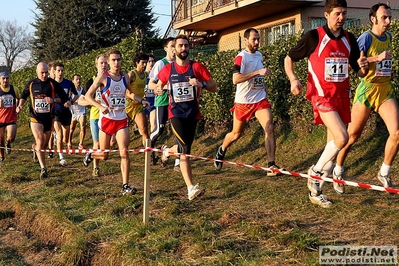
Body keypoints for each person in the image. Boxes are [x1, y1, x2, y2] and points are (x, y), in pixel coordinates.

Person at [284, 0, 369, 207]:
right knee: (342, 137)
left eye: (344, 13)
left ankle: (316, 191)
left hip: (341, 97)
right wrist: (293, 79)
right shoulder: (314, 36)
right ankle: (313, 174)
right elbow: (289, 57)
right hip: (321, 96)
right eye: (337, 13)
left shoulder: (350, 39)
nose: (341, 18)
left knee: (333, 148)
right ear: (327, 14)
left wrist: (364, 68)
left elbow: (358, 71)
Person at [333, 3, 396, 192]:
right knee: (351, 136)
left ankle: (384, 172)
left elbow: (385, 62)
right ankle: (337, 170)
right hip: (367, 90)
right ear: (373, 19)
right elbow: (352, 62)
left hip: (385, 89)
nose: (388, 21)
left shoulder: (390, 37)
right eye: (384, 17)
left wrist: (388, 72)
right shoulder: (365, 38)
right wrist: (376, 59)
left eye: (390, 17)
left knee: (397, 133)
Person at [213, 28, 282, 177]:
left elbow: (260, 75)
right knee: (236, 134)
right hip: (243, 102)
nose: (257, 42)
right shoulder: (240, 57)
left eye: (258, 39)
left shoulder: (259, 55)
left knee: (269, 127)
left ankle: (271, 165)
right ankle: (222, 149)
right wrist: (257, 73)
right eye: (253, 39)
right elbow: (235, 79)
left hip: (259, 99)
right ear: (246, 40)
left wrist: (263, 85)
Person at [156, 35, 217, 200]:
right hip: (175, 113)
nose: (183, 49)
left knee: (185, 149)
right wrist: (157, 88)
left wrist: (201, 84)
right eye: (180, 46)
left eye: (186, 46)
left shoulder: (197, 67)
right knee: (184, 149)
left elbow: (214, 86)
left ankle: (167, 151)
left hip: (192, 113)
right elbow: (153, 84)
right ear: (174, 49)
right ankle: (191, 188)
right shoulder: (168, 69)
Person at [84, 49, 149, 195]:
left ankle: (125, 185)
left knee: (124, 153)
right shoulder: (103, 76)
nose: (116, 63)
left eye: (119, 60)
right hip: (106, 120)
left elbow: (129, 93)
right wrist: (100, 106)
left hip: (121, 119)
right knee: (104, 155)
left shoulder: (125, 76)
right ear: (108, 62)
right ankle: (91, 154)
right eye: (113, 60)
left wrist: (142, 100)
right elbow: (88, 96)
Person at [16, 62, 69, 178]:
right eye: (42, 73)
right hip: (35, 117)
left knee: (44, 145)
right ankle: (43, 168)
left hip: (48, 118)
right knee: (40, 139)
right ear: (37, 72)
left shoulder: (52, 83)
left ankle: (36, 148)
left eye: (46, 72)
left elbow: (64, 98)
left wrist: (54, 100)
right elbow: (23, 96)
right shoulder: (31, 84)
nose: (44, 75)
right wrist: (20, 105)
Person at [148, 37, 180, 170]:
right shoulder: (161, 64)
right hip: (162, 102)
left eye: (175, 46)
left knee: (179, 132)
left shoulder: (180, 64)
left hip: (177, 102)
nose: (174, 49)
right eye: (171, 46)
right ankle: (150, 150)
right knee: (159, 130)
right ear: (166, 48)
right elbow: (151, 83)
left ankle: (177, 163)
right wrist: (159, 88)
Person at [80, 54, 110, 177]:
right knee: (97, 144)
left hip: (110, 116)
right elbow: (80, 100)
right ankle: (96, 167)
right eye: (101, 63)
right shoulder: (91, 81)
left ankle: (90, 154)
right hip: (96, 116)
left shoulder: (112, 78)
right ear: (96, 65)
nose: (103, 65)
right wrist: (94, 103)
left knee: (111, 143)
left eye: (105, 63)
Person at [53, 62, 78, 166]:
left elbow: (76, 95)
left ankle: (56, 138)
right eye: (58, 70)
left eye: (62, 70)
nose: (60, 73)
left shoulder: (68, 83)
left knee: (65, 138)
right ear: (54, 72)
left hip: (66, 112)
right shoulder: (51, 83)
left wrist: (71, 102)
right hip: (55, 111)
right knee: (60, 134)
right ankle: (61, 158)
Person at [126, 52, 150, 147]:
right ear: (137, 62)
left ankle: (149, 155)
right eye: (142, 63)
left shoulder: (145, 75)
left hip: (138, 105)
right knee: (117, 134)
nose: (144, 65)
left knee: (144, 130)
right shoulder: (132, 74)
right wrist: (134, 97)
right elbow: (126, 91)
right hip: (127, 105)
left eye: (146, 63)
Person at [0, 72, 19, 161]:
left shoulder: (14, 89)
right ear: (0, 80)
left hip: (11, 117)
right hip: (0, 119)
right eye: (3, 78)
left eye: (7, 78)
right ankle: (2, 157)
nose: (5, 80)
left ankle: (8, 143)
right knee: (0, 140)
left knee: (11, 137)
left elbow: (20, 98)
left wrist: (18, 106)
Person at [68, 74, 87, 150]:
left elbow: (86, 98)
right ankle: (69, 143)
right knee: (72, 128)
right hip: (73, 112)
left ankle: (81, 144)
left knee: (83, 127)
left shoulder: (83, 90)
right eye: (76, 79)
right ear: (73, 81)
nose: (78, 81)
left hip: (82, 111)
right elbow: (68, 99)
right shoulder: (70, 90)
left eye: (79, 79)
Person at [145, 54, 157, 133]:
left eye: (152, 61)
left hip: (153, 103)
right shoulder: (141, 76)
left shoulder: (156, 76)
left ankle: (151, 144)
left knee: (154, 124)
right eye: (149, 61)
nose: (151, 63)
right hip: (143, 104)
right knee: (143, 128)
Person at [47, 61, 57, 158]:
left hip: (56, 109)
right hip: (46, 111)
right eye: (53, 70)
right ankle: (36, 147)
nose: (55, 72)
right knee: (48, 132)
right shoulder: (47, 82)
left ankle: (51, 149)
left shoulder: (57, 82)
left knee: (53, 130)